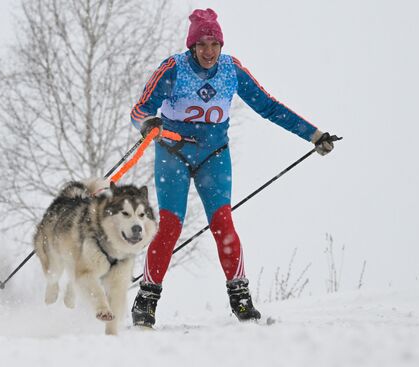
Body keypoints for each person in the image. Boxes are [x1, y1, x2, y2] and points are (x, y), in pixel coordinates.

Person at [129, 8, 335, 327]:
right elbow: (140, 109)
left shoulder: (230, 69)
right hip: (174, 154)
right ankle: (146, 300)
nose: (209, 51)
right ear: (192, 47)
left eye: (214, 44)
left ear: (221, 46)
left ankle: (240, 298)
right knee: (170, 225)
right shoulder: (173, 68)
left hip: (214, 156)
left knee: (222, 223)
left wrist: (313, 134)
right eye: (202, 45)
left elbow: (268, 105)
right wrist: (146, 124)